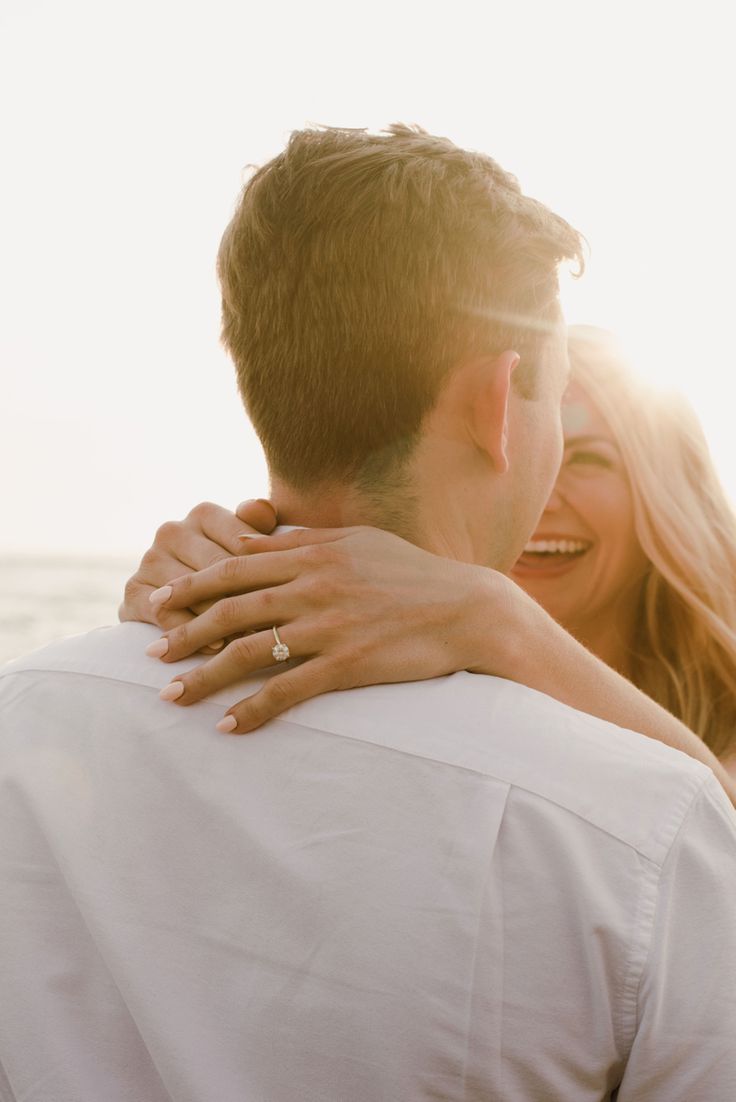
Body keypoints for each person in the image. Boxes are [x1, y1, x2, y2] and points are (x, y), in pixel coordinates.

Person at [2, 126, 736, 1101]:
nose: (552, 482)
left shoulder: (30, 714)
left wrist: (496, 621)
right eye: (554, 414)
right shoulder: (636, 828)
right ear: (497, 406)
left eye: (594, 454)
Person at [122, 327, 736, 783]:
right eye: (512, 453)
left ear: (668, 494)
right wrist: (198, 596)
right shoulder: (397, 645)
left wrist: (502, 620)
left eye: (594, 459)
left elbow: (714, 854)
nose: (543, 492)